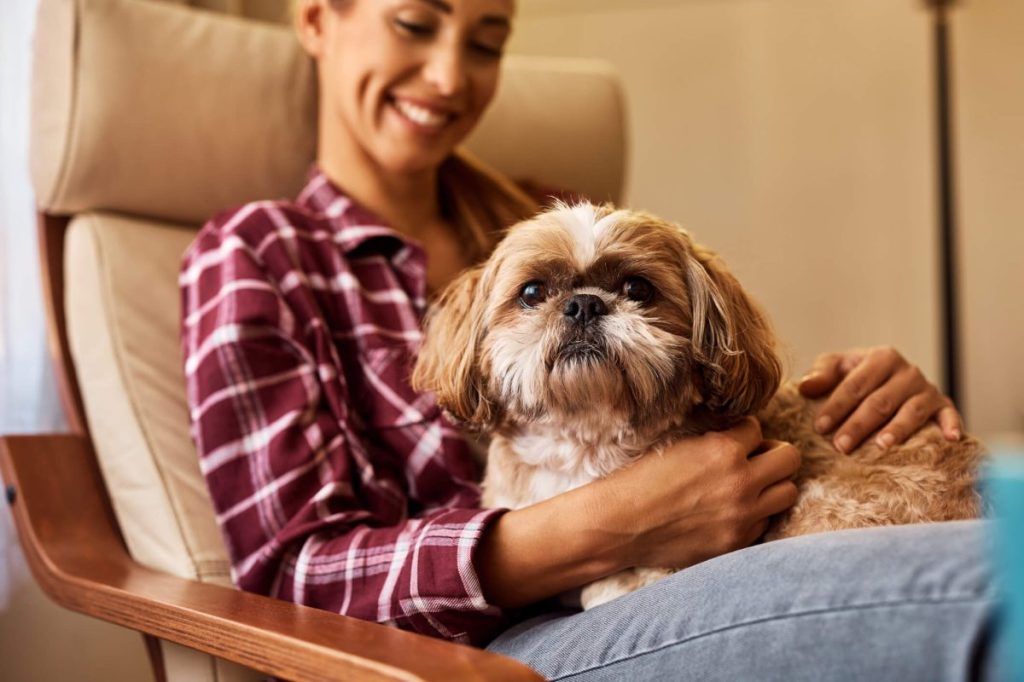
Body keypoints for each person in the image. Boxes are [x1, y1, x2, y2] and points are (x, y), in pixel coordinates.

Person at [179, 0, 998, 678]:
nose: (450, 75)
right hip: (491, 652)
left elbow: (706, 392)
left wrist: (867, 418)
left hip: (713, 567)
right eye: (415, 23)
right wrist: (616, 523)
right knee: (989, 584)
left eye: (488, 41)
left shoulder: (551, 211)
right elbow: (288, 575)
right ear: (319, 18)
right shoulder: (259, 254)